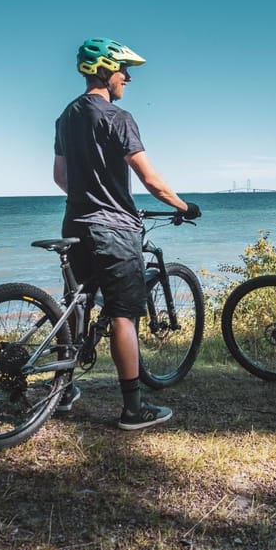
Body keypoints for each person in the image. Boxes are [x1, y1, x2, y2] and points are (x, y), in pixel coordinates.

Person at [52, 37, 200, 430]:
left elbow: (60, 177)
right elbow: (150, 180)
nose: (128, 78)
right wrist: (184, 206)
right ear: (104, 70)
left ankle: (62, 390)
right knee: (123, 315)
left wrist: (89, 196)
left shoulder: (66, 116)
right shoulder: (118, 118)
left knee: (77, 304)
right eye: (123, 70)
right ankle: (133, 410)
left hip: (75, 224)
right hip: (114, 230)